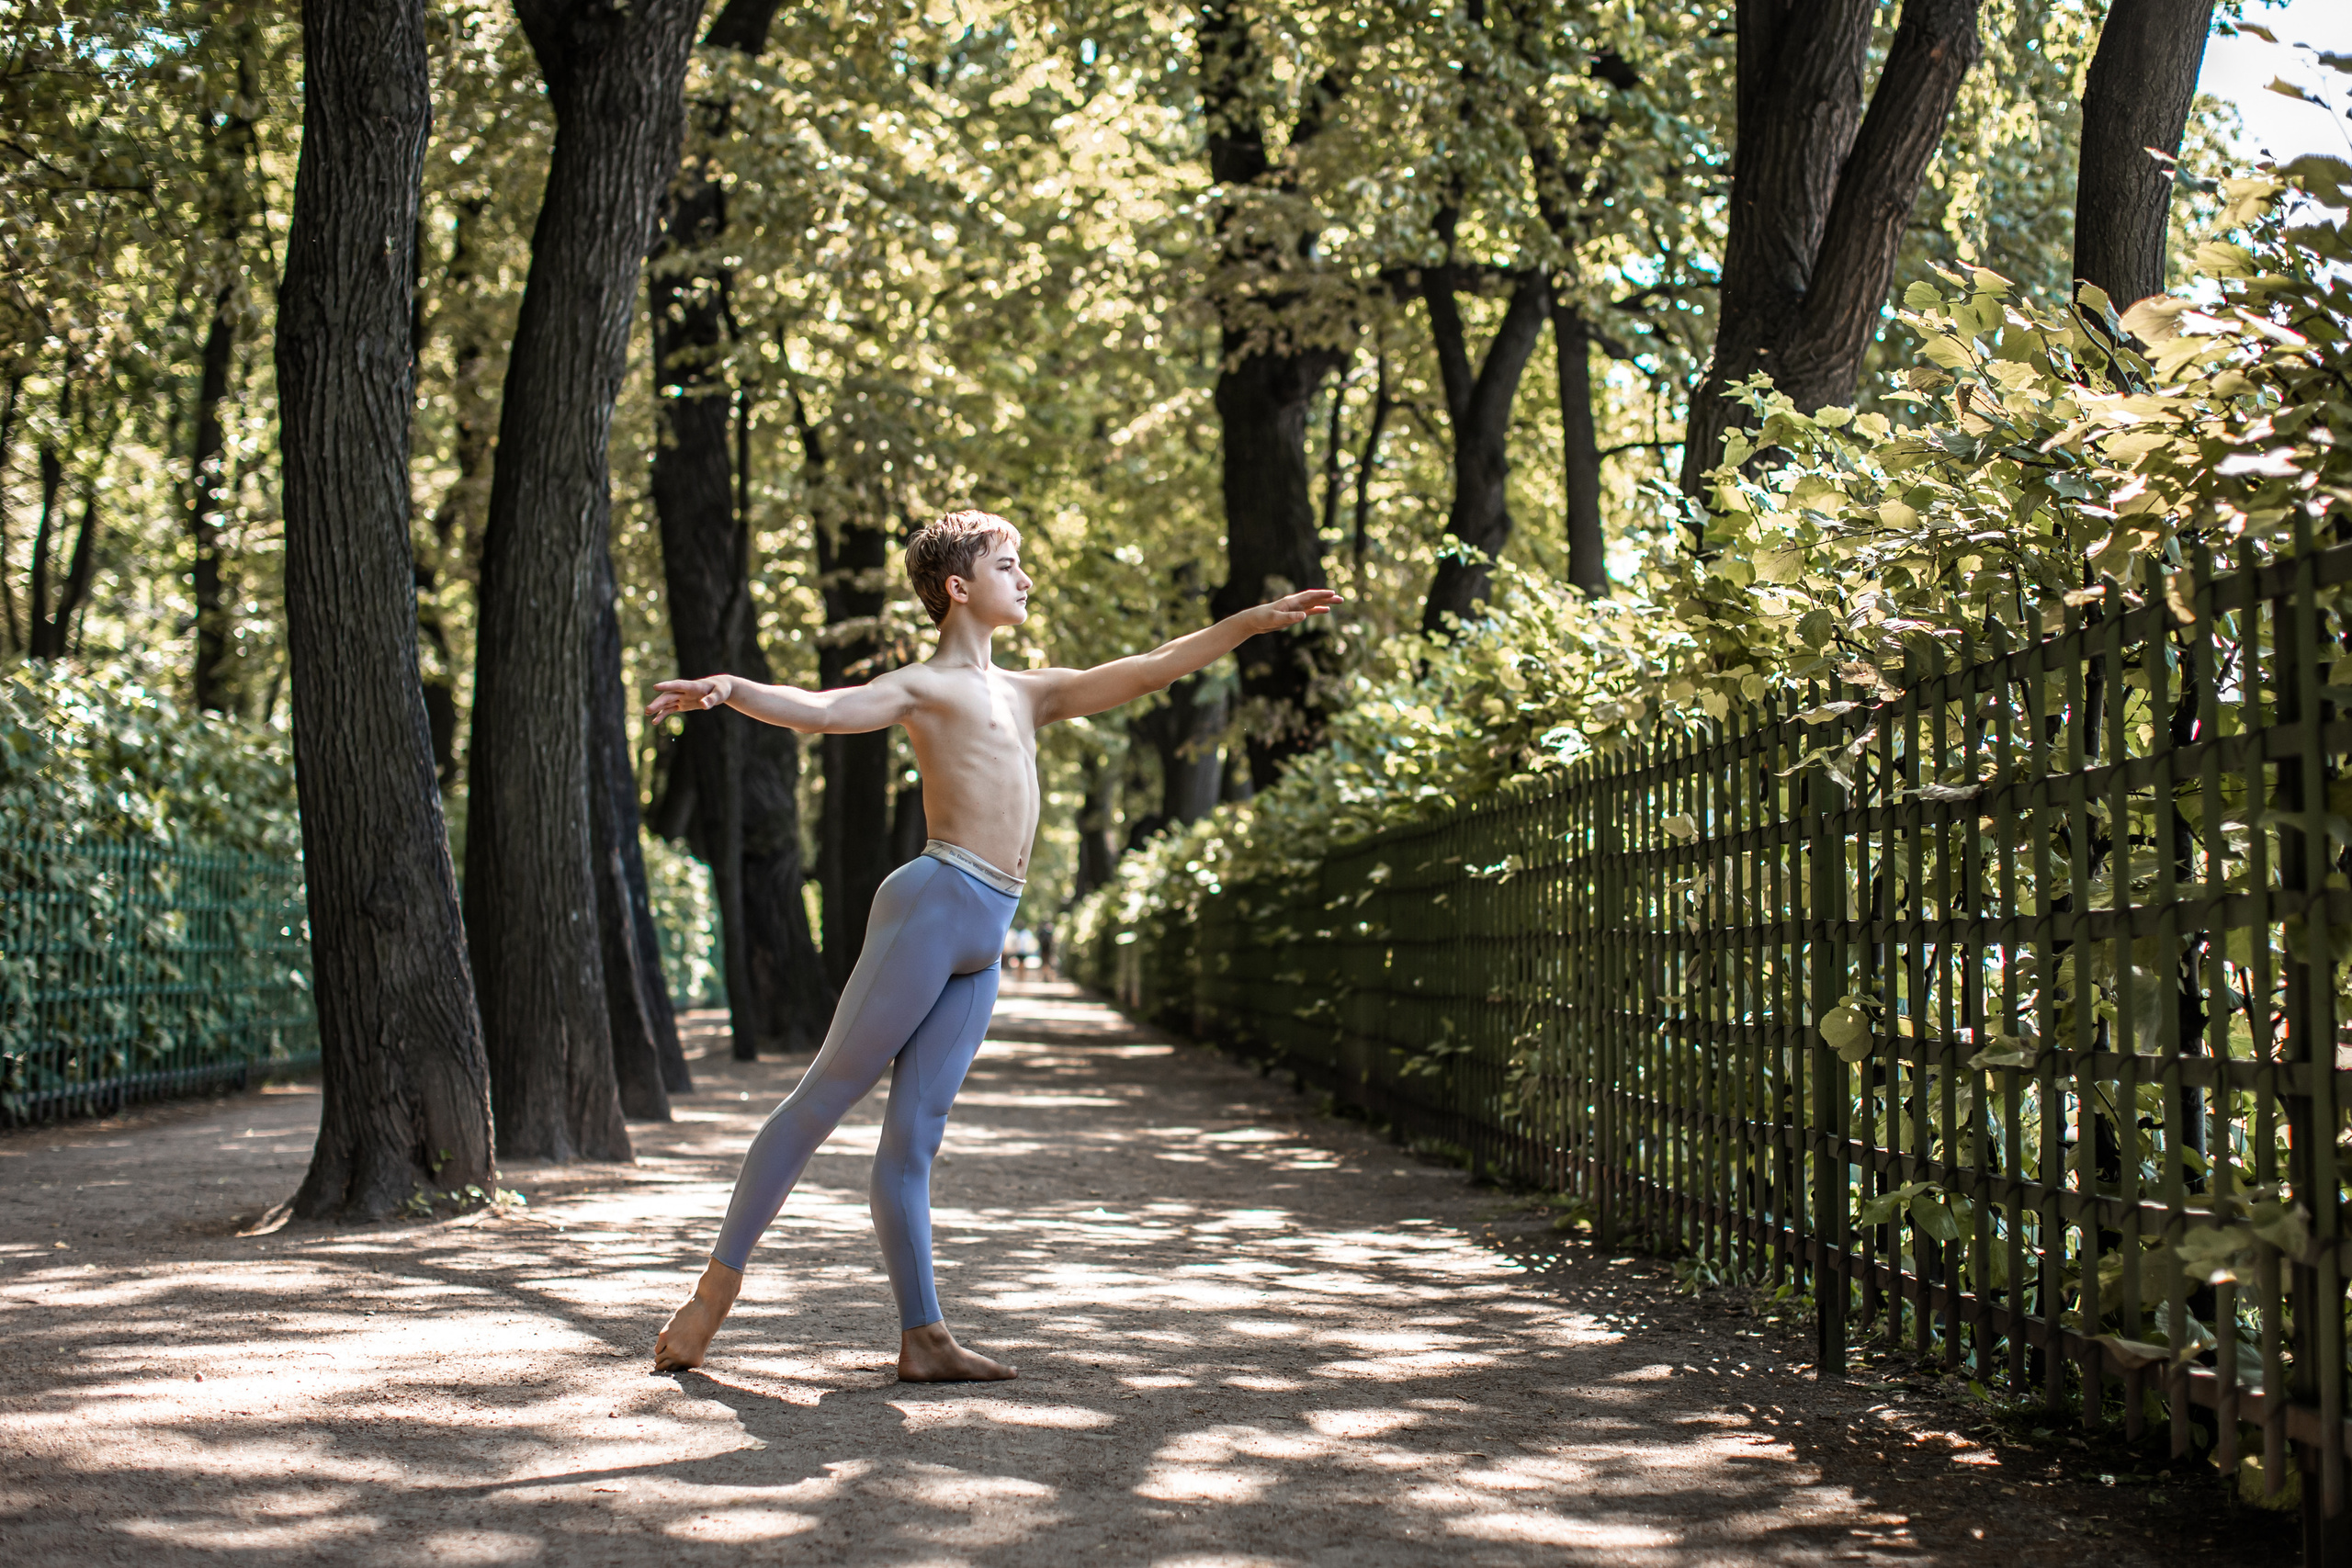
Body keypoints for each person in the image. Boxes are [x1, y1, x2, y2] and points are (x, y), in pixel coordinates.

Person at [644, 508, 1339, 1381]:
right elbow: (821, 710)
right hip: (933, 905)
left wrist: (1244, 624)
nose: (1026, 579)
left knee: (914, 1141)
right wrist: (732, 689)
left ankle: (924, 1338)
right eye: (1009, 565)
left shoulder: (1028, 691)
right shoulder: (924, 687)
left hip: (989, 930)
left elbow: (1149, 670)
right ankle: (713, 1294)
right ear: (959, 587)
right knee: (821, 1102)